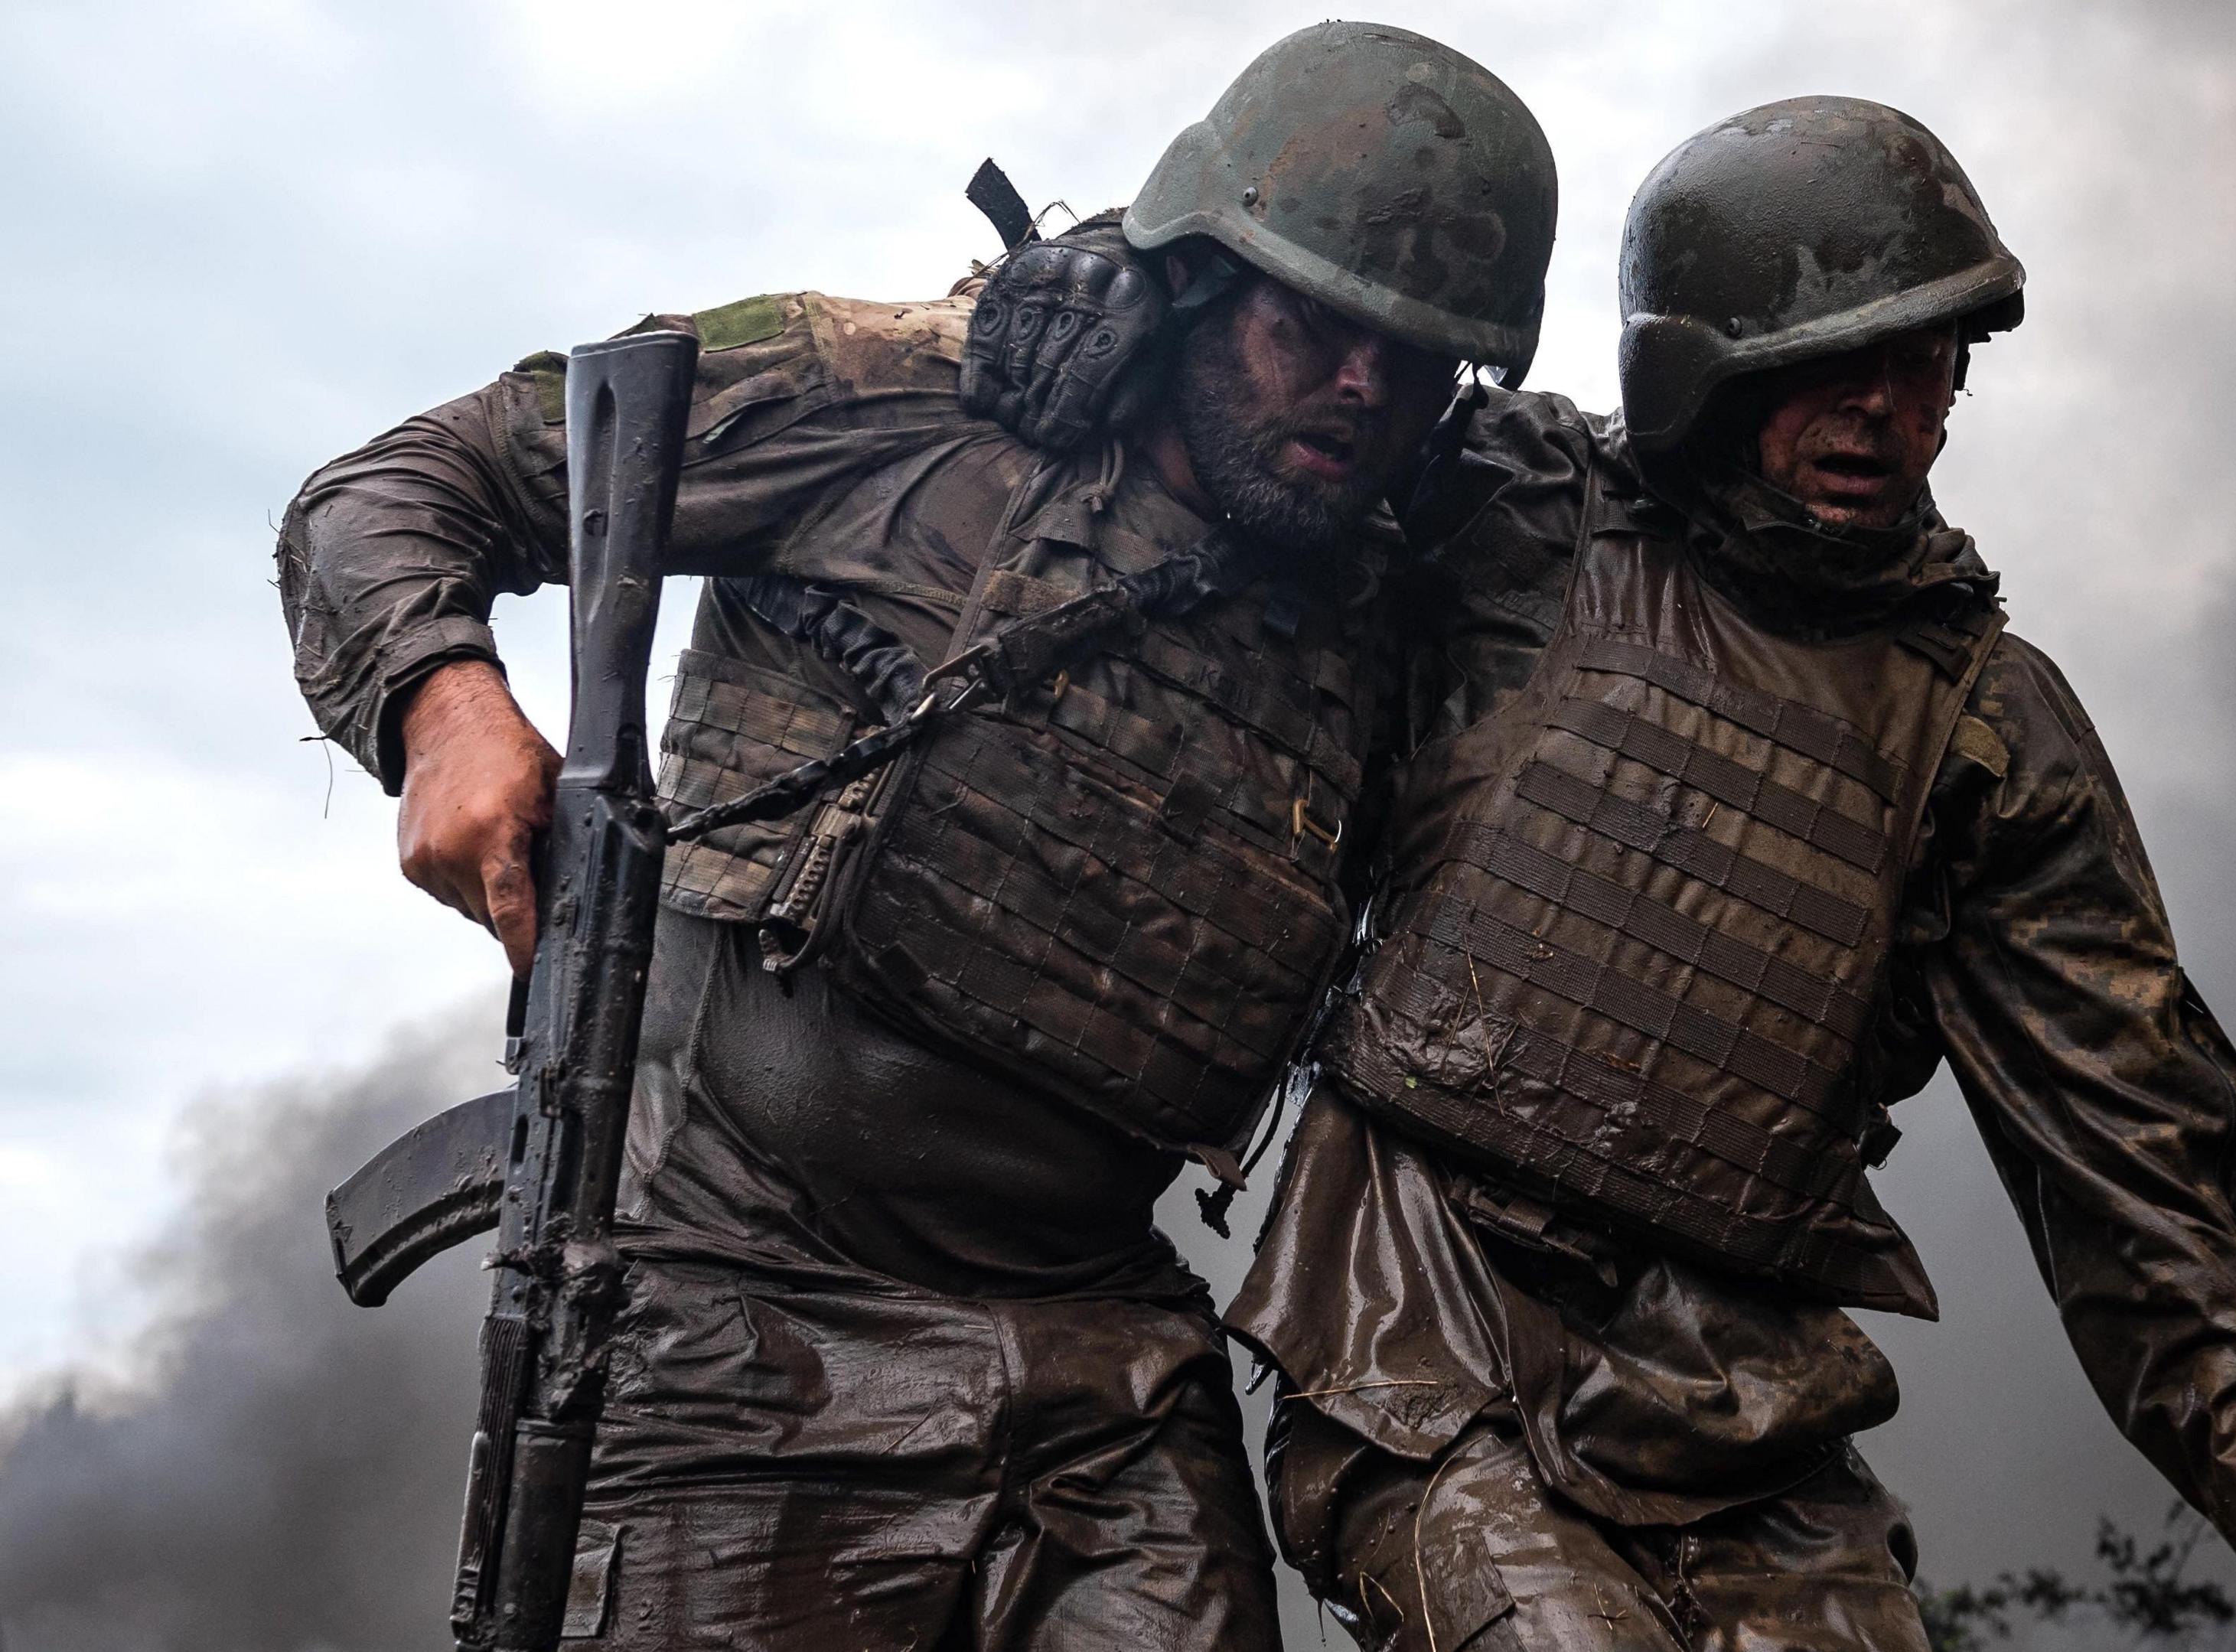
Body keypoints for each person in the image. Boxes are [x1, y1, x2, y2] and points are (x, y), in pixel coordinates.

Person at [990, 96, 2236, 1652]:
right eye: (1831, 361)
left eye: (1924, 361)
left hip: (1754, 1446)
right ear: (1709, 366)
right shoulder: (1524, 512)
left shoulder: (1984, 735)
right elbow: (1272, 386)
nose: (1883, 409)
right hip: (1420, 1364)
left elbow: (2143, 1206)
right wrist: (1103, 284)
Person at [272, 23, 1555, 1650]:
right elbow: (394, 488)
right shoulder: (895, 396)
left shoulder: (1415, 571)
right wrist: (439, 705)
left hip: (1104, 1357)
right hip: (740, 1315)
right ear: (1204, 278)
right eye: (1314, 326)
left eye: (1417, 356)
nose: (1364, 391)